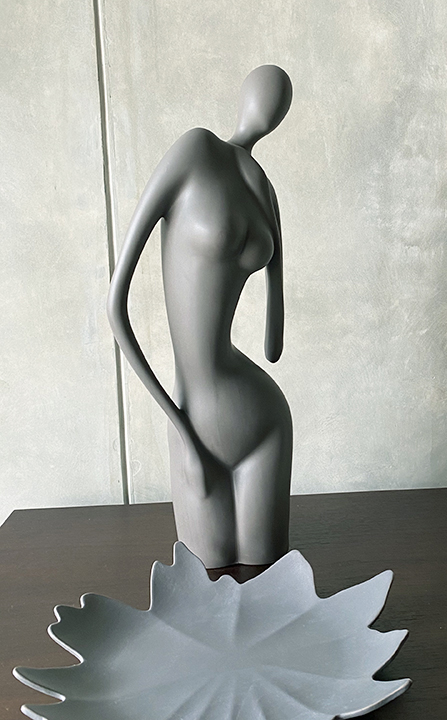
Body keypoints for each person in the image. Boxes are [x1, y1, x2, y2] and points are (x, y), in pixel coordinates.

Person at [107, 65, 293, 569]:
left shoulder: (265, 189)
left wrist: (276, 251)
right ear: (244, 93)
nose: (272, 107)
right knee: (205, 578)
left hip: (264, 418)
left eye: (282, 101)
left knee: (268, 580)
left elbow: (273, 344)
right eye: (267, 91)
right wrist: (183, 431)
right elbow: (115, 304)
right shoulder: (195, 151)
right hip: (193, 416)